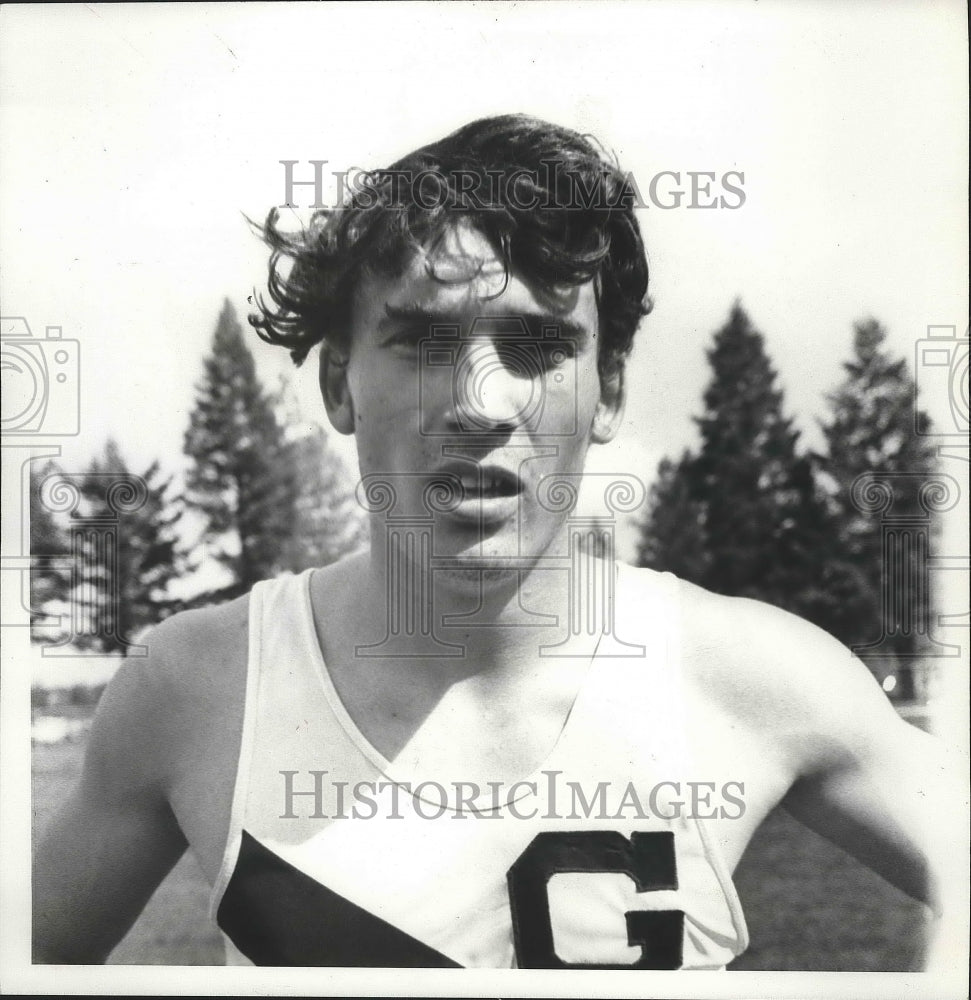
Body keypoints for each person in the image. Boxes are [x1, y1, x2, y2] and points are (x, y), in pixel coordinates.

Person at [33, 114, 950, 970]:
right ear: (340, 385)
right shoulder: (194, 688)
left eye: (539, 346)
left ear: (612, 392)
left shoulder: (756, 676)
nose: (479, 403)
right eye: (425, 343)